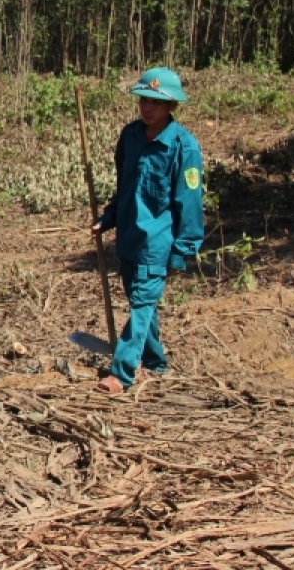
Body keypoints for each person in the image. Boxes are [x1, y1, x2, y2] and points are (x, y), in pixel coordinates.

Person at [91, 67, 204, 394]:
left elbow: (190, 204)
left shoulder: (185, 147)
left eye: (155, 101)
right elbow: (124, 187)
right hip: (128, 239)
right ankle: (156, 363)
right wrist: (108, 218)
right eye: (143, 99)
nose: (147, 106)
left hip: (158, 243)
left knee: (141, 305)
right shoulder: (130, 137)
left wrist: (182, 251)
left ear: (172, 107)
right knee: (143, 303)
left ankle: (122, 374)